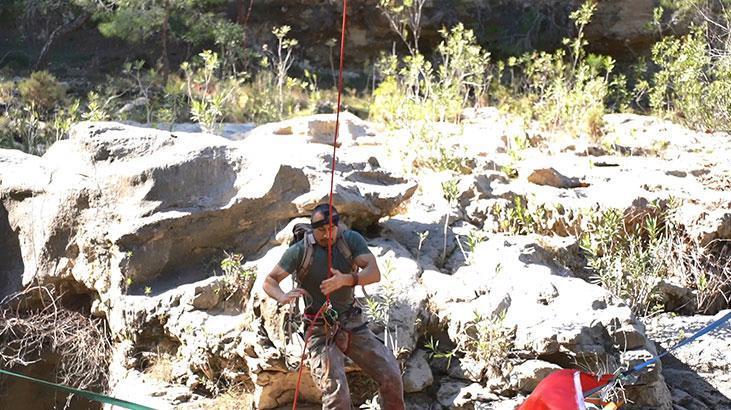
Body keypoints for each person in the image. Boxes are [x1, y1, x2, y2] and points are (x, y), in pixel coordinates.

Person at [263, 204, 405, 409]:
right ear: (313, 229)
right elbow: (270, 280)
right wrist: (283, 296)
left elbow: (374, 273)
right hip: (320, 330)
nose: (327, 234)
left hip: (352, 323)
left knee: (391, 374)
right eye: (321, 230)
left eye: (331, 229)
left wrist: (347, 279)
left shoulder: (350, 241)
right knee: (337, 395)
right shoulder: (301, 250)